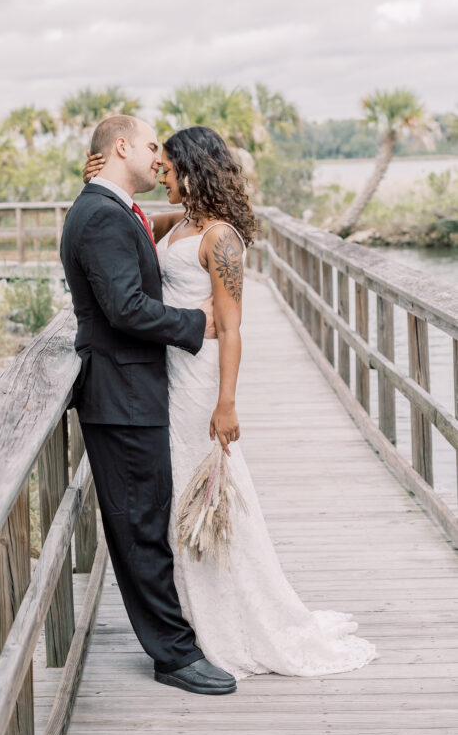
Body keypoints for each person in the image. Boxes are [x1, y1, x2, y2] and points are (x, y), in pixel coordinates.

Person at [82, 123, 377, 680]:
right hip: (163, 373)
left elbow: (233, 329)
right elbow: (128, 225)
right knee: (177, 499)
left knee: (211, 493)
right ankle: (197, 616)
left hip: (198, 383)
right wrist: (99, 181)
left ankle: (238, 621)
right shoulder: (178, 223)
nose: (161, 173)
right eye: (157, 165)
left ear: (192, 169)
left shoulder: (220, 238)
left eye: (167, 167)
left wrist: (227, 403)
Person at [60, 114, 237, 695]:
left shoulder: (113, 210)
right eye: (149, 146)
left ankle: (177, 638)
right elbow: (126, 308)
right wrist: (196, 322)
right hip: (121, 394)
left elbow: (154, 232)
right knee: (139, 523)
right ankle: (174, 655)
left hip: (131, 390)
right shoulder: (101, 217)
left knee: (145, 516)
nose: (158, 157)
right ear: (120, 147)